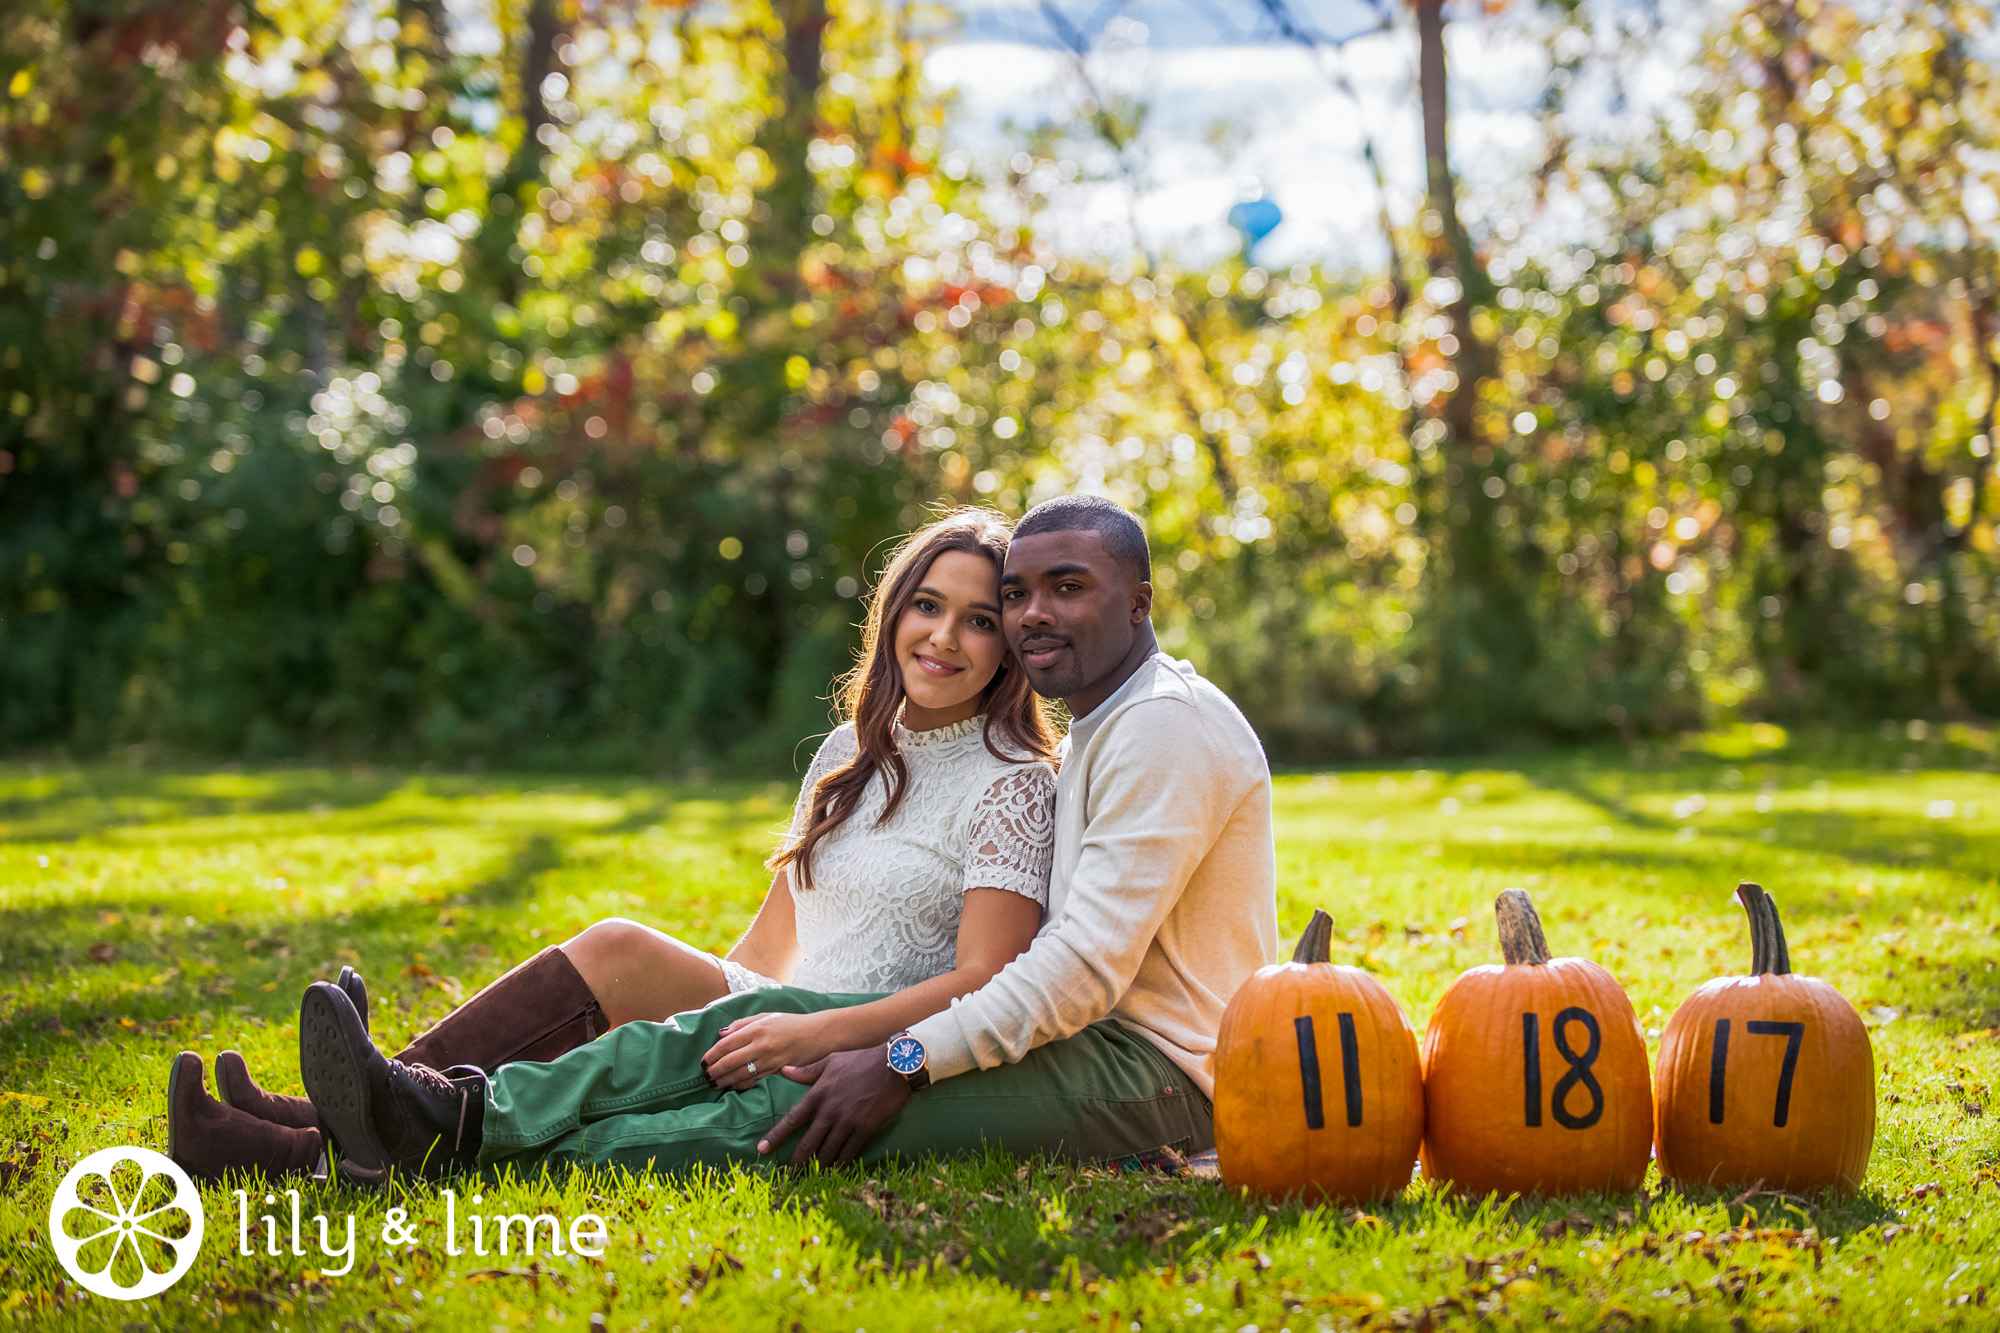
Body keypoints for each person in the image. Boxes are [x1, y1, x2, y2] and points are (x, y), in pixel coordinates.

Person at [296, 494, 1278, 1181]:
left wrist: (899, 1055)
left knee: (781, 1109)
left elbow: (1074, 975)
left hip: (1156, 1067)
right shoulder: (1110, 720)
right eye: (1019, 594)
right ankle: (426, 1113)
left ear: (1138, 599)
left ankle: (436, 1140)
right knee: (698, 1036)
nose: (1031, 617)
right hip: (1083, 1037)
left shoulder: (1156, 726)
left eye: (1064, 589)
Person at [164, 509, 1060, 1180]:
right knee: (622, 946)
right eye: (929, 606)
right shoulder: (849, 751)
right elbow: (771, 939)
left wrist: (816, 1029)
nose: (944, 636)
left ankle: (308, 1135)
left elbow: (986, 978)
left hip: (863, 1033)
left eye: (979, 620)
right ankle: (330, 1113)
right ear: (895, 612)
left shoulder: (1013, 778)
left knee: (625, 962)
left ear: (1012, 646)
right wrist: (701, 1015)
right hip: (775, 1004)